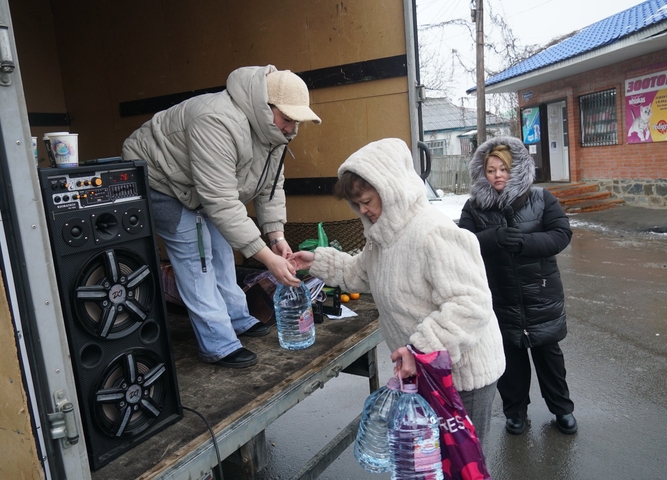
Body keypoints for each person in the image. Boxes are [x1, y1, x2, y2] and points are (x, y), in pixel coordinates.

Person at [291, 138, 505, 448]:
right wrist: (318, 261)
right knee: (430, 462)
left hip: (460, 379)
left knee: (459, 466)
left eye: (367, 200)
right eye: (357, 204)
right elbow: (358, 272)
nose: (362, 210)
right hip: (423, 371)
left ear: (391, 191)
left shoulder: (434, 232)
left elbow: (470, 305)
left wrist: (421, 350)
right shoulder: (383, 238)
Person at [122, 65, 321, 368]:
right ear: (266, 107)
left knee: (220, 248)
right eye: (287, 119)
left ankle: (237, 318)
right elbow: (222, 202)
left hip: (200, 187)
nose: (292, 129)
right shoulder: (216, 121)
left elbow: (270, 185)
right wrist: (267, 258)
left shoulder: (273, 132)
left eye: (297, 122)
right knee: (196, 257)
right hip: (158, 178)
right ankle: (218, 343)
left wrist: (276, 237)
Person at [458, 136, 577, 435]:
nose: (497, 175)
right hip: (500, 296)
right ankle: (515, 412)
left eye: (504, 169)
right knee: (510, 359)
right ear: (482, 174)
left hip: (541, 292)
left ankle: (562, 409)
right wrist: (494, 238)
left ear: (516, 169)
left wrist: (525, 242)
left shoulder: (541, 199)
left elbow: (561, 234)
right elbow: (461, 244)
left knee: (549, 358)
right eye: (491, 170)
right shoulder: (474, 207)